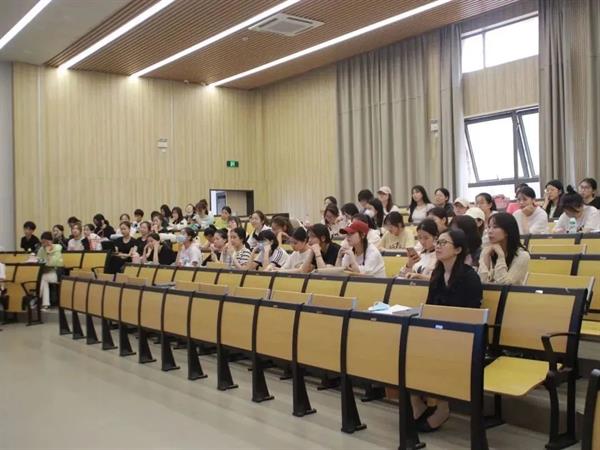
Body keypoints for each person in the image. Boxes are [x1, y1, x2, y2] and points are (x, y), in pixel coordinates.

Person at [412, 228, 482, 432]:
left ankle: (442, 408)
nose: (438, 246)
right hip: (439, 333)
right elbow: (429, 307)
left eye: (444, 243)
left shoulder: (470, 277)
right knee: (405, 347)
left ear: (458, 249)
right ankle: (416, 404)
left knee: (434, 353)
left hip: (463, 337)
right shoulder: (437, 273)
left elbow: (471, 316)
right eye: (438, 242)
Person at [478, 213, 530, 285]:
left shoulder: (522, 256)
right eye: (489, 227)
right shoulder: (487, 251)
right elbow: (479, 282)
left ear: (507, 231)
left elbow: (504, 284)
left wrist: (501, 256)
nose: (489, 231)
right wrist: (486, 256)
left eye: (495, 227)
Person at [36, 231, 64, 309]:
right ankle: (45, 304)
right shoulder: (41, 249)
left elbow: (56, 263)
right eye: (42, 242)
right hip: (44, 272)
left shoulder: (57, 248)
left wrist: (48, 253)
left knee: (42, 278)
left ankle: (36, 298)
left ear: (50, 241)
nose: (43, 244)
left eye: (44, 242)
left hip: (55, 273)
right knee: (43, 279)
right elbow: (38, 260)